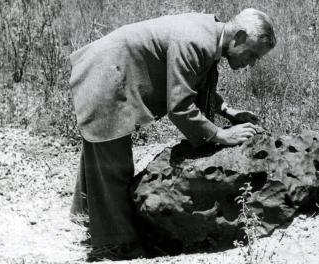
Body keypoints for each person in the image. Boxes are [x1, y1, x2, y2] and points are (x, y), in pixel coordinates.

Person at [68, 8, 276, 261]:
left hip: (110, 67)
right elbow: (179, 109)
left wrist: (228, 111)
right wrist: (222, 135)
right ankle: (117, 245)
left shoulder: (210, 35)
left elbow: (192, 80)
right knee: (113, 162)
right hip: (106, 73)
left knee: (101, 150)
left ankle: (86, 215)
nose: (251, 63)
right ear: (239, 37)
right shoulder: (195, 41)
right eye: (252, 54)